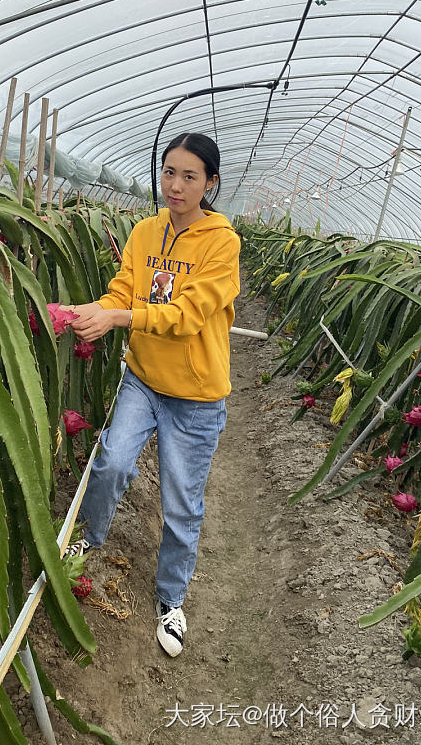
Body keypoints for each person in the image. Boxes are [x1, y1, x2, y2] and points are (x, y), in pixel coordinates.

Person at [67, 131, 241, 657]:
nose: (175, 185)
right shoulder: (144, 231)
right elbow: (125, 288)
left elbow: (187, 316)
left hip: (195, 397)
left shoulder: (222, 243)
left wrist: (119, 317)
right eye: (169, 172)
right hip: (142, 377)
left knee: (181, 503)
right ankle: (86, 541)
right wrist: (92, 310)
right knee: (113, 462)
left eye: (190, 176)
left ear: (210, 182)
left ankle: (171, 600)